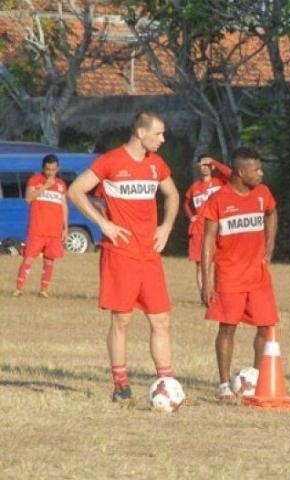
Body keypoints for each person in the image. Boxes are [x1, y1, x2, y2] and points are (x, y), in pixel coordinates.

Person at [67, 111, 180, 404]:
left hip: (149, 255)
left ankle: (166, 383)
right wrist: (103, 224)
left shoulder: (157, 165)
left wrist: (166, 227)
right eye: (159, 134)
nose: (163, 139)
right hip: (120, 253)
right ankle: (121, 385)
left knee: (162, 320)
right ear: (141, 133)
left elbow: (173, 195)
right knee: (123, 320)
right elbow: (76, 191)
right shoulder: (110, 161)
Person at [200, 147, 279, 402]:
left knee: (266, 328)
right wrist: (206, 280)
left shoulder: (262, 194)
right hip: (230, 275)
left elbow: (272, 213)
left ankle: (256, 378)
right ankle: (224, 385)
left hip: (258, 275)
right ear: (241, 171)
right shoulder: (219, 200)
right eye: (256, 169)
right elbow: (208, 241)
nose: (261, 173)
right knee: (228, 329)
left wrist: (269, 246)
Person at [13, 154, 68, 298]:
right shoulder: (34, 180)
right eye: (48, 169)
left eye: (53, 169)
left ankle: (44, 290)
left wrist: (65, 227)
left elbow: (64, 207)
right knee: (29, 258)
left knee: (49, 260)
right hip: (37, 228)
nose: (50, 172)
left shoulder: (61, 184)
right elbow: (28, 198)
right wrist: (45, 186)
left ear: (58, 168)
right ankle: (19, 288)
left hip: (54, 230)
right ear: (43, 168)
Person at [184, 154, 232, 297]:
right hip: (198, 229)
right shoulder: (195, 186)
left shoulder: (220, 182)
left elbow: (231, 174)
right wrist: (191, 216)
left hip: (218, 229)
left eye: (207, 165)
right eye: (202, 165)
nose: (205, 168)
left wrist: (214, 161)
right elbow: (186, 203)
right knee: (200, 264)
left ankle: (215, 292)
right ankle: (203, 295)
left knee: (216, 262)